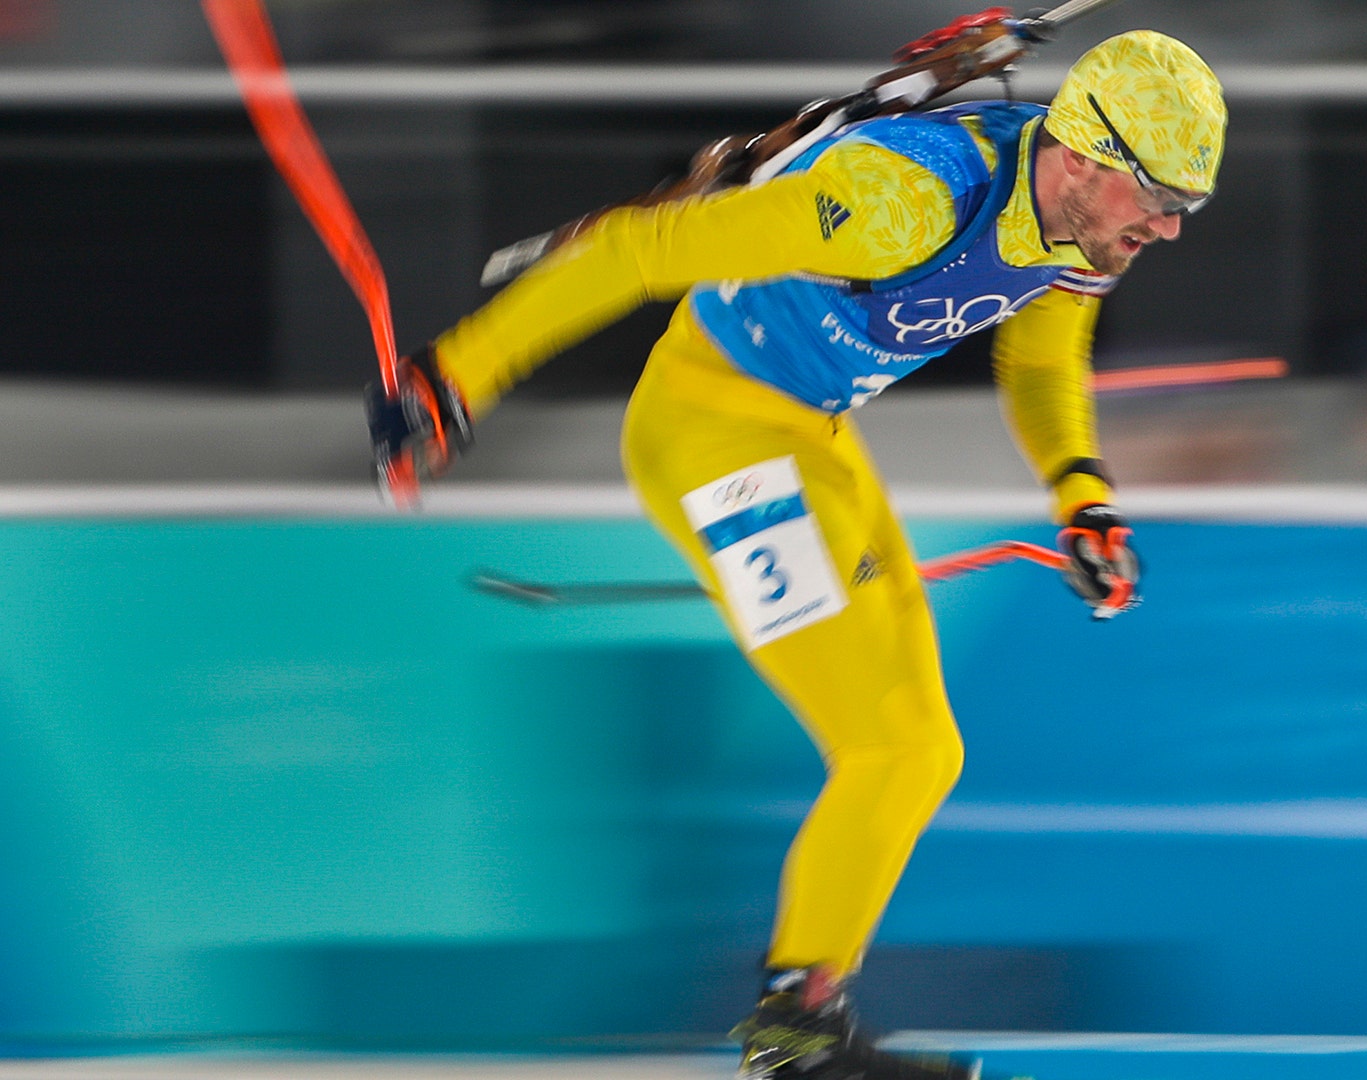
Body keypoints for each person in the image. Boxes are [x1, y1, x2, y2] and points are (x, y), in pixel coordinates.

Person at [367, 29, 1225, 1080]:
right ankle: (799, 1035)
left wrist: (1083, 498)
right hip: (712, 438)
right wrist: (455, 377)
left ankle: (803, 1021)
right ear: (1086, 157)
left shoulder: (1078, 230)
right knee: (889, 748)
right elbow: (643, 250)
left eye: (1185, 206)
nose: (1168, 228)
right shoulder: (903, 200)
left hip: (803, 434)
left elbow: (1043, 356)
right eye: (1160, 197)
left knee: (920, 749)